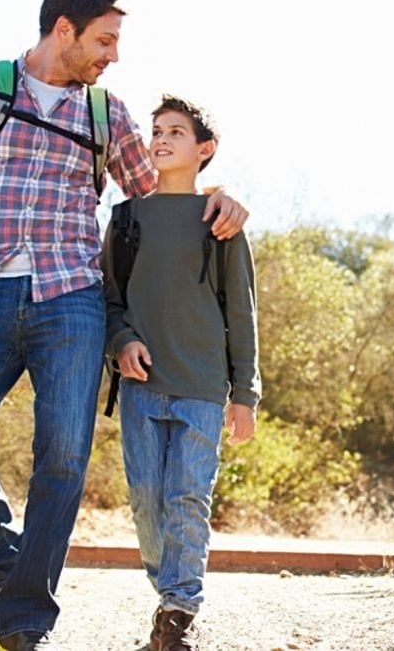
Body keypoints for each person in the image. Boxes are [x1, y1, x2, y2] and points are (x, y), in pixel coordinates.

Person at [0, 0, 248, 650]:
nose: (113, 56)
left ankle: (27, 616)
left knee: (63, 453)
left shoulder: (105, 114)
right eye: (105, 40)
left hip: (72, 298)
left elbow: (156, 197)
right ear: (64, 30)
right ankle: (5, 568)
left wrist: (220, 195)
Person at [103, 96, 260, 651]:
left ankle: (178, 612)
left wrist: (245, 393)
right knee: (148, 499)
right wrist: (121, 341)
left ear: (204, 150)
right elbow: (110, 299)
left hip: (201, 388)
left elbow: (241, 312)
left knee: (188, 497)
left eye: (176, 132)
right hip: (143, 388)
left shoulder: (221, 222)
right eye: (157, 131)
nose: (162, 140)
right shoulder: (125, 219)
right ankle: (167, 591)